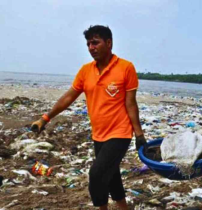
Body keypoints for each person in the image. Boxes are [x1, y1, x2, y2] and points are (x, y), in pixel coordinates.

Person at [31, 25, 147, 210]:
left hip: (120, 133)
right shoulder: (86, 71)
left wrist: (139, 135)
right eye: (88, 44)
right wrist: (45, 118)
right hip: (98, 134)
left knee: (97, 175)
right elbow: (68, 97)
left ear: (109, 43)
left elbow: (131, 103)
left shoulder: (126, 68)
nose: (91, 47)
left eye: (95, 42)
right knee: (112, 175)